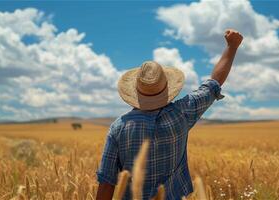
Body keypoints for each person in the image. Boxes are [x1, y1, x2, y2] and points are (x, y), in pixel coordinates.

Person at [96, 29, 243, 200]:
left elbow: (106, 181)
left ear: (135, 93)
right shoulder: (182, 113)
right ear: (166, 89)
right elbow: (213, 84)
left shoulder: (118, 128)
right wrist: (232, 46)